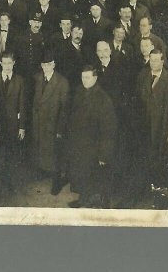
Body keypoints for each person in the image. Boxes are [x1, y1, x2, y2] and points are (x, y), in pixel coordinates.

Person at [67, 66, 117, 208]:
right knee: (82, 174)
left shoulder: (103, 98)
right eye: (83, 77)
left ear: (95, 78)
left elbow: (108, 129)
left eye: (88, 77)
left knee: (96, 177)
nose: (85, 81)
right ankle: (84, 199)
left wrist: (103, 154)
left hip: (95, 147)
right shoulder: (79, 92)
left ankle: (99, 204)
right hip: (80, 145)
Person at [0, 51, 27, 196]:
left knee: (10, 155)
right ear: (1, 63)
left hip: (12, 125)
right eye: (5, 63)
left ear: (14, 63)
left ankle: (9, 185)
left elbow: (22, 105)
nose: (7, 66)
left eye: (10, 63)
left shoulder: (20, 80)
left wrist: (21, 127)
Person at [137, 48, 168, 189]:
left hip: (161, 130)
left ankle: (159, 191)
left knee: (160, 161)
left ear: (162, 61)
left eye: (157, 60)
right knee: (145, 159)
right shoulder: (142, 77)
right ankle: (145, 188)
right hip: (144, 128)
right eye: (151, 60)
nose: (154, 63)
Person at [30, 53, 70, 195]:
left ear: (54, 64)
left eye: (49, 64)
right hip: (39, 123)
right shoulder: (37, 78)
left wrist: (60, 129)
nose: (46, 67)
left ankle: (57, 181)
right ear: (41, 66)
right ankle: (44, 172)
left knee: (55, 154)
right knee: (41, 150)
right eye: (44, 65)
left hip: (53, 124)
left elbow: (65, 109)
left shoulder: (62, 82)